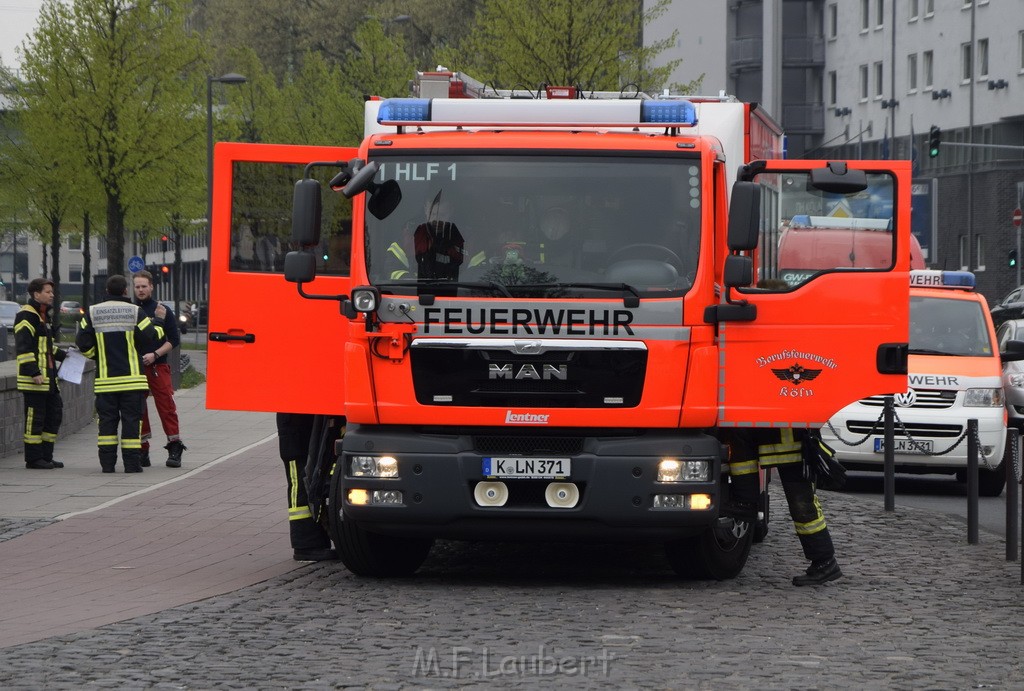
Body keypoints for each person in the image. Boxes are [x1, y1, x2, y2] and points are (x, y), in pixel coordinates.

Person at [722, 427, 843, 586]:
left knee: (802, 508)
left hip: (793, 448)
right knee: (802, 507)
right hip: (785, 445)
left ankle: (825, 562)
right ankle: (824, 562)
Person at [76, 275, 164, 473]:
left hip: (106, 382)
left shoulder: (92, 312)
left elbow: (82, 343)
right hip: (132, 382)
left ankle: (107, 465)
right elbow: (151, 337)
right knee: (132, 423)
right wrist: (159, 321)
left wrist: (99, 357)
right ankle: (132, 465)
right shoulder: (135, 312)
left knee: (106, 424)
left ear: (106, 291)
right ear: (125, 291)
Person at [132, 270, 186, 468]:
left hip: (157, 366)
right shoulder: (130, 310)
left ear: (151, 287)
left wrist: (155, 354)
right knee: (138, 409)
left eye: (144, 286)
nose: (140, 290)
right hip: (136, 368)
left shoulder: (161, 310)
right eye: (137, 286)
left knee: (167, 407)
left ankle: (174, 446)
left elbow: (173, 339)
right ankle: (142, 449)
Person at [14, 277, 67, 470]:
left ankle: (46, 456)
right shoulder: (27, 316)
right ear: (37, 294)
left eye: (52, 292)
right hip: (35, 380)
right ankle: (34, 459)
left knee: (53, 415)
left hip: (49, 378)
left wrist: (65, 355)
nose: (52, 295)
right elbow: (24, 347)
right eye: (48, 292)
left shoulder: (43, 315)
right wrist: (33, 372)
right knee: (34, 420)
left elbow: (46, 347)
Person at [276, 412, 337, 561]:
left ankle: (318, 542)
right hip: (295, 432)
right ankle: (306, 545)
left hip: (303, 427)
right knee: (299, 485)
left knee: (312, 482)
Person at [414, 192, 465, 280]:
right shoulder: (412, 234)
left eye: (442, 215)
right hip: (413, 290)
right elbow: (394, 267)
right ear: (425, 210)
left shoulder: (462, 237)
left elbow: (474, 270)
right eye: (433, 214)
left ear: (451, 211)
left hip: (458, 291)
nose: (436, 220)